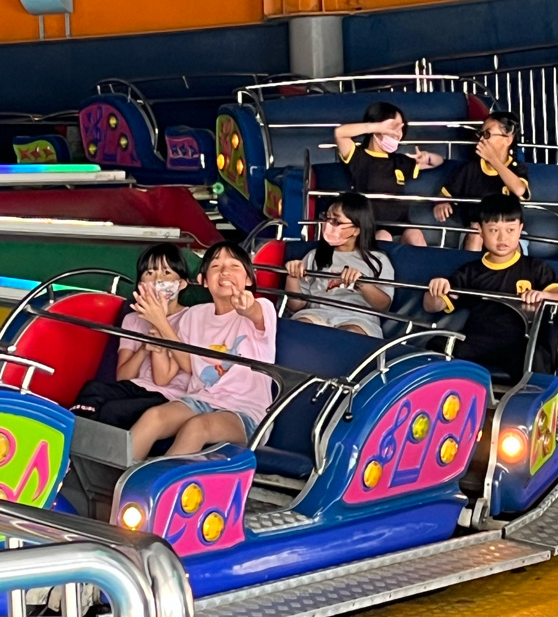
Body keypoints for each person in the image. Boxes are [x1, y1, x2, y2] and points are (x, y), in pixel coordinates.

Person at [129, 241, 277, 460]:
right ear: (203, 280)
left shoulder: (263, 308)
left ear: (248, 279)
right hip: (200, 399)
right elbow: (188, 364)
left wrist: (247, 306)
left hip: (246, 412)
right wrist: (160, 322)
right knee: (153, 417)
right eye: (216, 266)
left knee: (197, 427)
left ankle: (157, 481)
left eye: (234, 266)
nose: (225, 271)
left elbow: (253, 311)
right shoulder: (194, 315)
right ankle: (119, 478)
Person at [423, 194, 558, 383]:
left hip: (517, 344)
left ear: (520, 230)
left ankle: (537, 398)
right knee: (435, 346)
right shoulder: (470, 272)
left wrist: (543, 295)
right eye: (493, 230)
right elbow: (431, 306)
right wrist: (437, 290)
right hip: (477, 342)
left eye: (510, 230)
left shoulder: (535, 268)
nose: (502, 237)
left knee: (538, 357)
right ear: (480, 231)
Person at [70, 242, 192, 429]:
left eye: (166, 273)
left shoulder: (190, 317)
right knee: (92, 390)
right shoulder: (132, 319)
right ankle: (75, 445)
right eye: (149, 273)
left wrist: (157, 321)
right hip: (135, 387)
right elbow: (123, 376)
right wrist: (143, 349)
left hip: (169, 396)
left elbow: (162, 379)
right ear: (141, 284)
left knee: (112, 411)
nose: (157, 279)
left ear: (182, 283)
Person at [285, 192, 395, 338]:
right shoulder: (314, 256)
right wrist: (292, 277)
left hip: (359, 319)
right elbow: (295, 306)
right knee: (299, 329)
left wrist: (362, 283)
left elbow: (383, 305)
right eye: (327, 218)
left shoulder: (378, 260)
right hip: (316, 314)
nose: (328, 225)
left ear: (356, 229)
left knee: (349, 335)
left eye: (336, 221)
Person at [334, 100, 441, 245]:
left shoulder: (400, 161)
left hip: (400, 224)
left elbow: (438, 162)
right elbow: (339, 133)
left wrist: (427, 156)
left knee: (415, 234)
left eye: (401, 128)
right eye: (394, 126)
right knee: (383, 236)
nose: (398, 133)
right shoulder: (358, 156)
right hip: (370, 226)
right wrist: (376, 127)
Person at [433, 111, 530, 251]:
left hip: (508, 229)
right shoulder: (470, 168)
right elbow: (445, 194)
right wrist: (441, 203)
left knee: (510, 236)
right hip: (478, 230)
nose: (482, 140)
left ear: (508, 139)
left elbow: (520, 190)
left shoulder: (516, 168)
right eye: (481, 134)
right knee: (475, 231)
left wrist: (493, 160)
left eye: (487, 134)